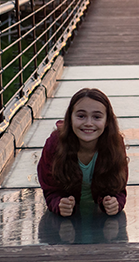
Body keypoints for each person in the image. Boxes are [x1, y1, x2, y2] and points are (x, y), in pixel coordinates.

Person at [37, 88, 128, 216]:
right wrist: (58, 203)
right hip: (68, 223)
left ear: (107, 121)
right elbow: (50, 189)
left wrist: (116, 202)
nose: (88, 123)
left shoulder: (115, 145)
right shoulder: (55, 145)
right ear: (70, 118)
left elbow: (119, 187)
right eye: (81, 116)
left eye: (96, 117)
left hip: (99, 220)